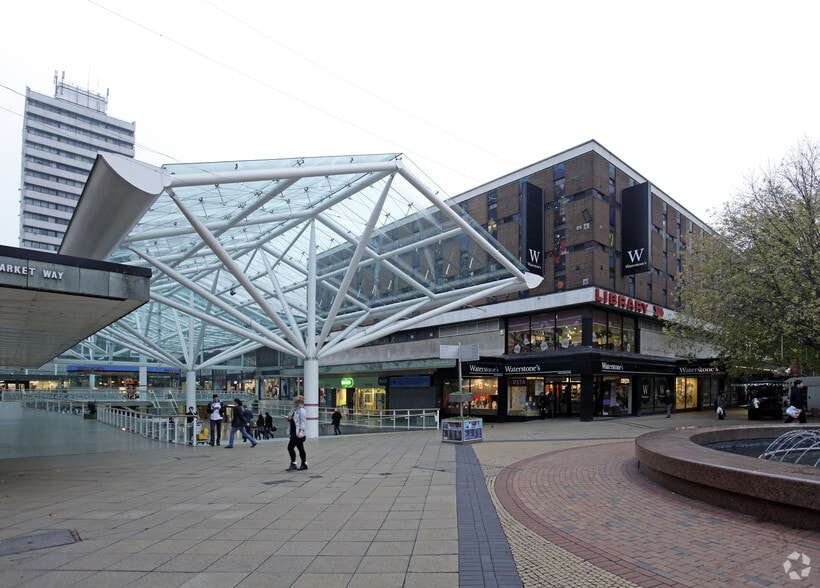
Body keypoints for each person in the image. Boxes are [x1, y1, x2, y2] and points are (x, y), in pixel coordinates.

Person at [284, 395, 308, 470]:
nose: (293, 403)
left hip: (297, 433)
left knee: (290, 447)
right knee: (300, 448)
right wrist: (288, 418)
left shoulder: (301, 411)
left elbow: (303, 422)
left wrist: (301, 431)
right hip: (294, 431)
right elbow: (292, 418)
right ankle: (304, 464)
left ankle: (294, 463)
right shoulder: (294, 410)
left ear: (297, 403)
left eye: (294, 402)